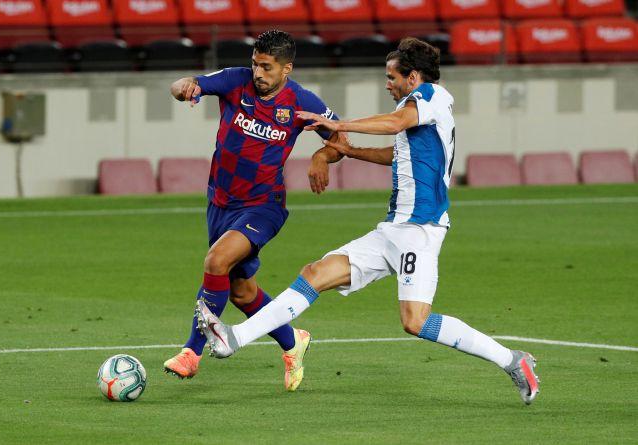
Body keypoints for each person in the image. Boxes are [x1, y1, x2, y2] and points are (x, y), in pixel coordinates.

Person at [195, 37, 541, 404]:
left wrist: (337, 123)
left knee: (416, 321)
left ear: (414, 76)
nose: (387, 83)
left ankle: (512, 360)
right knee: (315, 274)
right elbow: (399, 153)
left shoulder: (430, 98)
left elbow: (394, 125)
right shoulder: (418, 109)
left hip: (419, 231)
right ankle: (233, 339)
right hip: (393, 229)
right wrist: (349, 150)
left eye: (392, 76)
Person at [163, 29, 344, 392]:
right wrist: (184, 87)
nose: (258, 73)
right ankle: (293, 340)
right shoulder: (235, 81)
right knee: (241, 292)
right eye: (255, 64)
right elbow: (185, 82)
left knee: (216, 262)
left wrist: (322, 156)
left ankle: (191, 353)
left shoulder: (300, 102)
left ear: (286, 69)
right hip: (220, 202)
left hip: (264, 206)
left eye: (266, 67)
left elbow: (339, 137)